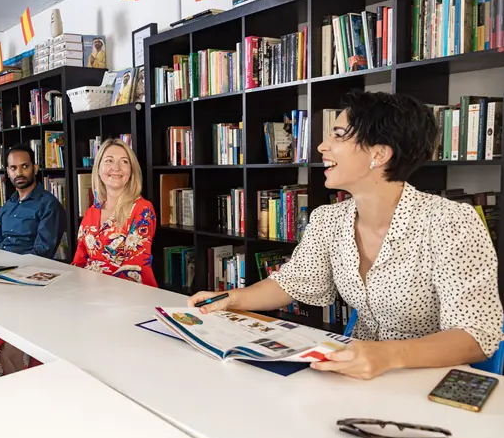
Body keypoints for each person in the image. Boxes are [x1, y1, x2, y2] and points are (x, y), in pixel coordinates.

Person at [187, 90, 504, 380]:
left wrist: (385, 356)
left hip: (428, 380)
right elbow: (294, 282)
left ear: (378, 154)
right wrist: (231, 299)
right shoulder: (328, 220)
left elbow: (476, 336)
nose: (322, 146)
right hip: (354, 373)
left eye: (338, 135)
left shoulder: (451, 223)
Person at [0, 143, 66, 377]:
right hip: (2, 270)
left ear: (35, 168)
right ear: (7, 172)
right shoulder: (7, 206)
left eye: (24, 166)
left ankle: (14, 366)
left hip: (28, 274)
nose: (18, 173)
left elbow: (43, 251)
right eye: (13, 168)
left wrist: (6, 268)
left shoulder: (48, 204)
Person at [73, 138, 156, 287]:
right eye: (109, 161)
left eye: (124, 162)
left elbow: (134, 269)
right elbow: (79, 261)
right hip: (87, 293)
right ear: (98, 169)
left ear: (131, 171)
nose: (116, 168)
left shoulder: (142, 209)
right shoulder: (91, 212)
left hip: (128, 294)